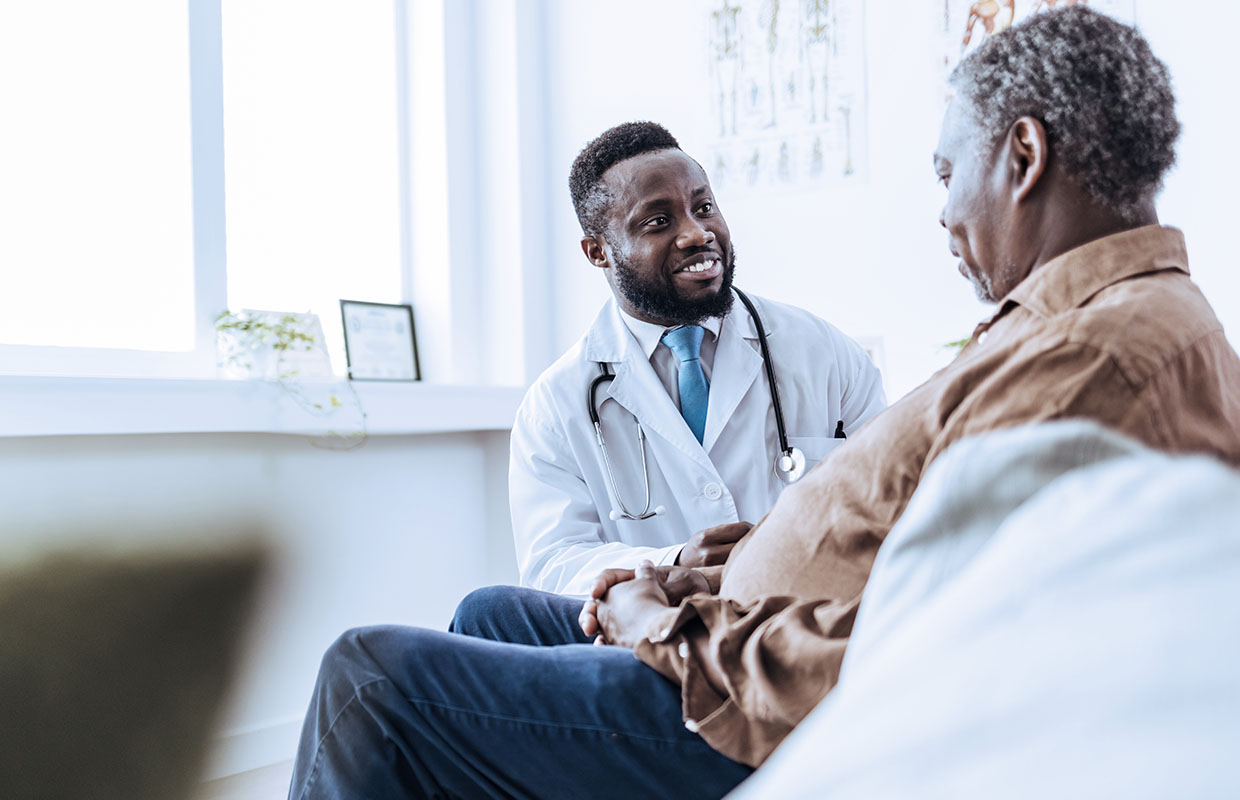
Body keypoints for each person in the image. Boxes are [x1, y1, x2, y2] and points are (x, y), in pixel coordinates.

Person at [287, 9, 1240, 800]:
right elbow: (890, 545)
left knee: (367, 682)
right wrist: (692, 577)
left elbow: (911, 646)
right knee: (490, 608)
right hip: (733, 639)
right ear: (600, 252)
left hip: (744, 710)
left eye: (949, 174)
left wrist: (661, 625)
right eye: (659, 220)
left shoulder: (1085, 361)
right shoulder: (1076, 323)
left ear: (1022, 155)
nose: (945, 214)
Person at [511, 121, 886, 595]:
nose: (697, 234)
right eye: (659, 221)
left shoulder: (821, 351)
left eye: (703, 207)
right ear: (597, 252)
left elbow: (895, 496)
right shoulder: (556, 406)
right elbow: (553, 564)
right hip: (655, 643)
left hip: (813, 621)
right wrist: (675, 562)